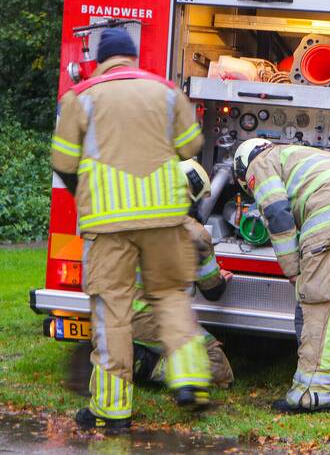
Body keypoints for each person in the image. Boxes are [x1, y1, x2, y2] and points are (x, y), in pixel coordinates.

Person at [51, 27, 212, 431]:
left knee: (112, 310)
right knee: (171, 295)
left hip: (108, 224)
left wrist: (84, 197)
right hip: (166, 219)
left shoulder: (80, 97)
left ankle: (111, 408)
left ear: (102, 59)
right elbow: (192, 146)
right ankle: (192, 379)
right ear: (132, 56)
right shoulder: (166, 91)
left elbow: (64, 162)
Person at [232, 138, 330, 413]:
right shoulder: (297, 153)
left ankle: (311, 392)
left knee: (319, 303)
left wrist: (293, 269)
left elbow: (277, 213)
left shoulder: (260, 163)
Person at [131, 160, 235, 389]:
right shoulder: (195, 234)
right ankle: (153, 368)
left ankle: (133, 354)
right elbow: (213, 293)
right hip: (157, 319)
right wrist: (219, 278)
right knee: (219, 368)